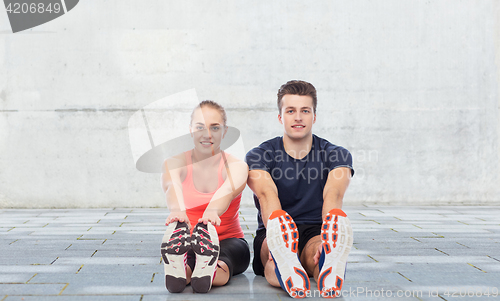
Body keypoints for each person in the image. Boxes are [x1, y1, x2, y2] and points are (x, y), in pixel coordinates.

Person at [246, 80, 354, 298]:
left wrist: (326, 238)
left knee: (316, 252)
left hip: (315, 229)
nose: (298, 117)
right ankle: (285, 261)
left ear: (314, 116)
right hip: (274, 229)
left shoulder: (337, 154)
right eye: (290, 111)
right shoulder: (259, 155)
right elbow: (267, 194)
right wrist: (277, 233)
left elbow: (333, 195)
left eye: (305, 111)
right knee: (274, 253)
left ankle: (324, 265)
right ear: (280, 117)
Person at [160, 100, 250, 294]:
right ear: (191, 130)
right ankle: (189, 271)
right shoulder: (174, 163)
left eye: (214, 127)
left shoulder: (237, 166)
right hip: (190, 240)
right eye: (200, 127)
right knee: (192, 253)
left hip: (229, 240)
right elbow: (171, 186)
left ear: (225, 131)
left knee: (223, 257)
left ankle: (191, 273)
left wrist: (212, 211)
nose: (207, 134)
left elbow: (228, 189)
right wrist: (177, 211)